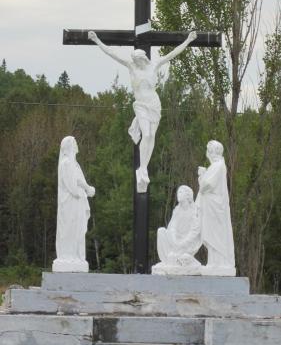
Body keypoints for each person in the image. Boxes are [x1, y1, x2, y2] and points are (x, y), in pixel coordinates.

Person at [88, 29, 197, 191]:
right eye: (135, 61)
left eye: (138, 60)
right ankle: (142, 166)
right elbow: (113, 53)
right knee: (145, 134)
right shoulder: (131, 66)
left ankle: (144, 166)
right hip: (140, 105)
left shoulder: (154, 65)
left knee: (151, 135)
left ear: (143, 58)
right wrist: (97, 40)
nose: (137, 63)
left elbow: (172, 53)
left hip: (154, 104)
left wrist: (188, 41)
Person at [52, 136, 95, 272]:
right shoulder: (66, 163)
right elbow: (72, 185)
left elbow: (79, 181)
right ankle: (67, 256)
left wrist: (87, 188)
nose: (77, 145)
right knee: (69, 228)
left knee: (77, 230)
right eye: (74, 143)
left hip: (77, 203)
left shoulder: (75, 164)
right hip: (70, 203)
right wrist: (86, 189)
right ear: (69, 146)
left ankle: (77, 256)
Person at [197, 140, 235, 272]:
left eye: (209, 151)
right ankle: (214, 263)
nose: (208, 153)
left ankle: (219, 264)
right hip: (214, 205)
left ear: (213, 152)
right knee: (213, 234)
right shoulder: (218, 165)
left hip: (214, 207)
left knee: (215, 235)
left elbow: (207, 185)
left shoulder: (217, 166)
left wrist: (202, 176)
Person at [155, 185, 201, 269]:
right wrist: (174, 240)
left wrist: (183, 243)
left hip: (187, 243)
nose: (178, 194)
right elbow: (172, 227)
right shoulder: (177, 210)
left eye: (180, 192)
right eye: (178, 192)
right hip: (175, 240)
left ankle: (178, 257)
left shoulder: (194, 211)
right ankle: (168, 260)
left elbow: (195, 231)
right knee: (161, 231)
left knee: (180, 254)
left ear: (187, 195)